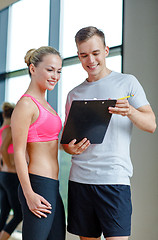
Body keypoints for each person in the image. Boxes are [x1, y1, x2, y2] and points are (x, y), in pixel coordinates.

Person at [62, 26, 157, 240]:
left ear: (106, 50)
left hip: (114, 179)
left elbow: (151, 124)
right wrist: (70, 148)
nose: (91, 60)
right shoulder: (73, 94)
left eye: (95, 53)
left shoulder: (127, 83)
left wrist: (131, 111)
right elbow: (66, 142)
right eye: (84, 55)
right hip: (80, 180)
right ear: (78, 55)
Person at [11, 46, 66, 240]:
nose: (55, 76)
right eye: (50, 70)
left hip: (52, 186)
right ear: (33, 69)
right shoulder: (26, 104)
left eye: (59, 71)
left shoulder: (47, 105)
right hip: (37, 185)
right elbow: (18, 152)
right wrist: (29, 194)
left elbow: (47, 142)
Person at [0, 102, 22, 240]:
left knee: (5, 212)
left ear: (3, 114)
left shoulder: (1, 129)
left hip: (3, 175)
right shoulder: (9, 129)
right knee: (19, 214)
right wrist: (10, 166)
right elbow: (3, 149)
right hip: (10, 175)